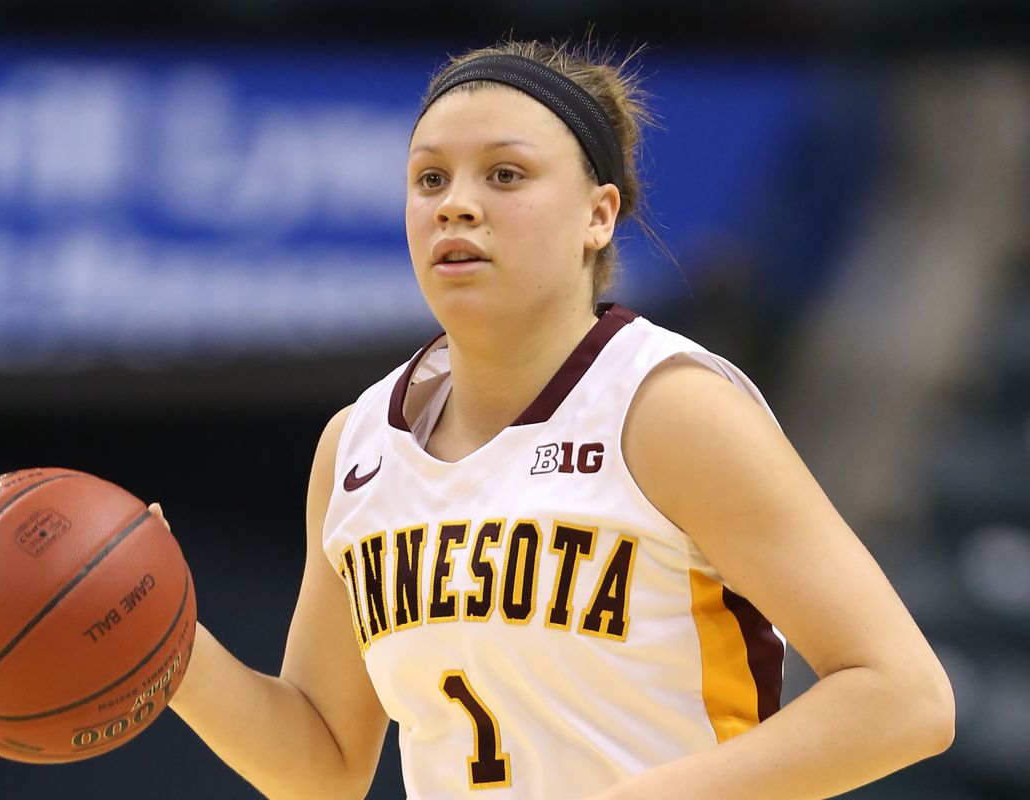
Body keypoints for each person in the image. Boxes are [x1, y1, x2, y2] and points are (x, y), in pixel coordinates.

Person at [161, 39, 955, 799]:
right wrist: (169, 647)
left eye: (505, 175)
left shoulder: (666, 408)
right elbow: (324, 765)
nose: (456, 206)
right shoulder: (356, 448)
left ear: (598, 216)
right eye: (429, 179)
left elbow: (904, 697)